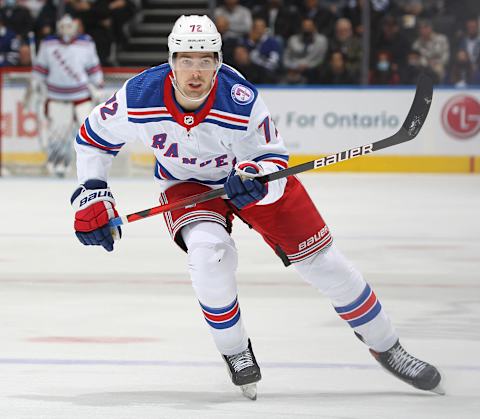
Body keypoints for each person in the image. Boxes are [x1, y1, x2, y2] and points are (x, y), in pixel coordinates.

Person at [70, 14, 443, 400]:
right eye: (185, 60)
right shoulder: (139, 95)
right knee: (208, 254)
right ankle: (235, 351)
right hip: (186, 185)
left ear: (218, 62)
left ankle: (389, 347)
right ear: (171, 61)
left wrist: (255, 176)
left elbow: (273, 160)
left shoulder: (240, 99)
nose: (195, 72)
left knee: (325, 264)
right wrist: (93, 192)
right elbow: (93, 138)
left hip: (249, 182)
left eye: (205, 61)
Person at [30, 14, 103, 177]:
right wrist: (37, 82)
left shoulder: (86, 43)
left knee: (87, 134)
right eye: (64, 26)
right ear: (58, 27)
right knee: (57, 134)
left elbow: (93, 67)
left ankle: (89, 168)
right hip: (57, 96)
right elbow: (40, 68)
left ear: (76, 28)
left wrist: (98, 85)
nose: (67, 30)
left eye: (70, 26)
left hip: (81, 96)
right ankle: (58, 163)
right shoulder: (48, 44)